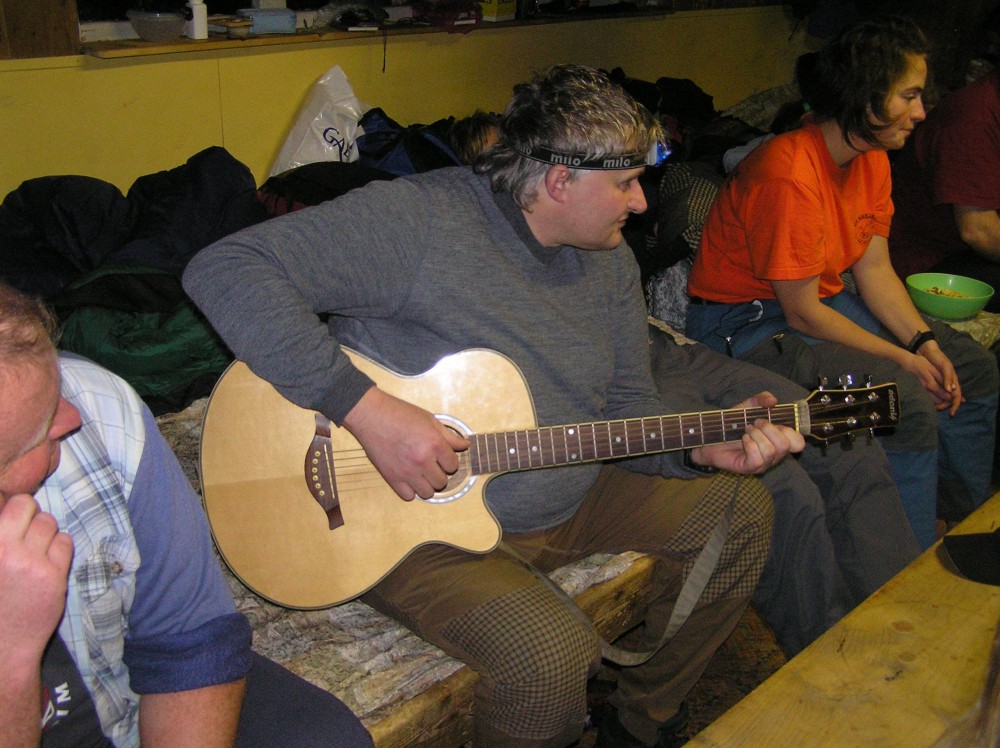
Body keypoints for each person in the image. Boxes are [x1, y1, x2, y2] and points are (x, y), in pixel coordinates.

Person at [184, 64, 804, 748]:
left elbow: (628, 407)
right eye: (626, 183)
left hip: (566, 492)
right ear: (560, 181)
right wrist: (366, 410)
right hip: (404, 516)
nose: (641, 203)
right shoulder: (419, 222)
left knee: (741, 511)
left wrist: (694, 450)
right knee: (550, 659)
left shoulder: (610, 261)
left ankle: (640, 724)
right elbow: (226, 270)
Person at [0, 281, 373, 747]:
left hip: (127, 703)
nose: (72, 416)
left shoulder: (99, 405)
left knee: (327, 737)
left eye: (55, 384)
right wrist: (12, 659)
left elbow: (191, 640)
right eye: (39, 429)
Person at [686, 15, 999, 549]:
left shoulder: (870, 157)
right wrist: (904, 360)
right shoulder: (788, 173)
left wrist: (923, 343)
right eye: (909, 96)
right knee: (902, 397)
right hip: (748, 321)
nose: (921, 113)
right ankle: (909, 558)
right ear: (866, 97)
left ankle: (959, 524)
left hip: (818, 300)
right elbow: (803, 312)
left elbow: (874, 270)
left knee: (970, 368)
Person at [647, 322, 918, 657]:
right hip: (613, 382)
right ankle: (837, 660)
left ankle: (908, 634)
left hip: (663, 347)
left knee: (852, 449)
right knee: (785, 488)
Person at [888, 69, 1000, 307]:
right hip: (929, 260)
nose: (919, 112)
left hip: (962, 250)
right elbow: (979, 231)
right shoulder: (974, 117)